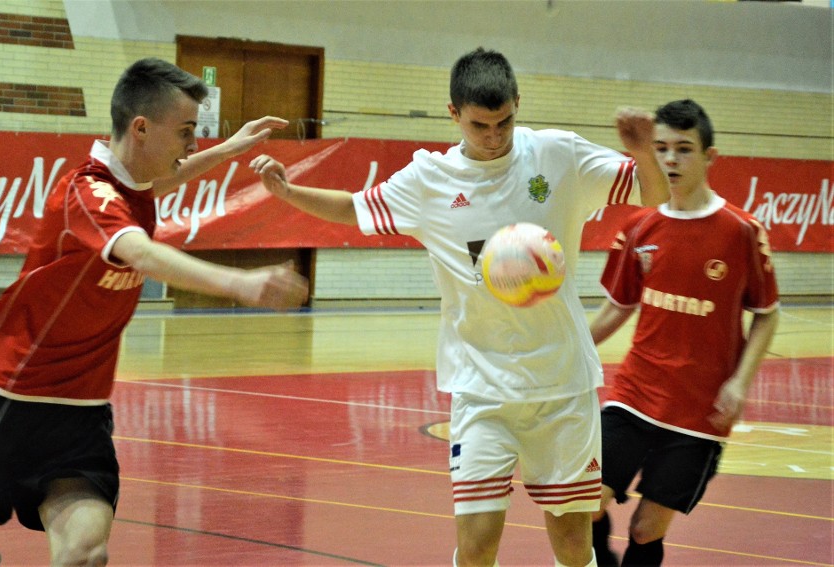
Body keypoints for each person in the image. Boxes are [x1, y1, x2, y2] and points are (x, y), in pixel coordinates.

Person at [250, 47, 669, 567]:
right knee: (475, 545)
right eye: (478, 125)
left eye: (504, 122)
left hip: (562, 388)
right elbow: (355, 208)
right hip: (480, 388)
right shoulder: (429, 180)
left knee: (570, 541)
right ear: (453, 114)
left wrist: (646, 152)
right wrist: (286, 191)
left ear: (518, 104)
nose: (493, 136)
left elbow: (653, 197)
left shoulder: (559, 155)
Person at [0, 57, 309, 566]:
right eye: (184, 132)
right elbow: (140, 253)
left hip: (81, 412)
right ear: (140, 128)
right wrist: (239, 282)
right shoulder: (86, 192)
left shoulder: (132, 189)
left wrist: (233, 147)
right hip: (7, 396)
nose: (191, 144)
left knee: (86, 553)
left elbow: (162, 183)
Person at [588, 99, 780, 566]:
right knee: (582, 501)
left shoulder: (741, 231)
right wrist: (561, 345)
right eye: (661, 149)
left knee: (645, 527)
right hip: (634, 395)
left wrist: (740, 382)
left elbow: (767, 313)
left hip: (698, 414)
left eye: (684, 149)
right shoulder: (640, 227)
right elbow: (617, 308)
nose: (670, 160)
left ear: (710, 157)